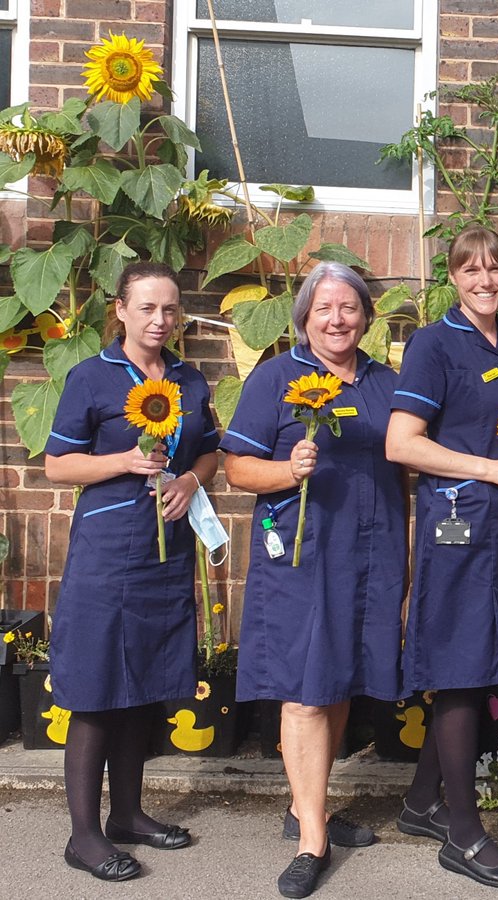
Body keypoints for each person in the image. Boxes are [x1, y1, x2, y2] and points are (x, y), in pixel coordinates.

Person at [222, 262, 407, 899]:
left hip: (372, 552)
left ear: (366, 318)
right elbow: (236, 469)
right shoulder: (277, 377)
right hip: (300, 555)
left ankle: (310, 807)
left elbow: (416, 450)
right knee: (303, 687)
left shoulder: (387, 383)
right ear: (304, 317)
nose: (337, 319)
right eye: (324, 308)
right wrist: (286, 472)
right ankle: (310, 841)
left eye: (350, 308)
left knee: (340, 676)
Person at [386, 225, 498, 891]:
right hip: (458, 523)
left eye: (495, 268)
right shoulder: (433, 344)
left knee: (488, 664)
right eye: (470, 270)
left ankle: (423, 802)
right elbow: (403, 444)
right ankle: (462, 835)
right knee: (460, 666)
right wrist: (490, 468)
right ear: (452, 278)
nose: (485, 280)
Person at [44, 262, 219, 882]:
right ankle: (84, 836)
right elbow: (57, 467)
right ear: (119, 309)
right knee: (95, 687)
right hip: (107, 555)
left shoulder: (190, 380)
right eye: (146, 308)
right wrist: (122, 460)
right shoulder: (90, 378)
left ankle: (128, 815)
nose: (159, 320)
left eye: (170, 309)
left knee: (143, 681)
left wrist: (194, 477)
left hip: (165, 557)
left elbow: (211, 446)